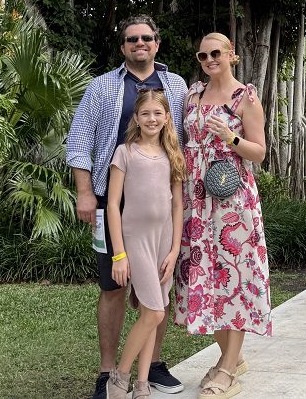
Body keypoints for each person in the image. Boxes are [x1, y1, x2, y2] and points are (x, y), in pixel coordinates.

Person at [66, 15, 187, 398]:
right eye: (132, 39)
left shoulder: (176, 86)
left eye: (146, 37)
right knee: (113, 287)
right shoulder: (102, 87)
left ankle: (152, 366)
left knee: (159, 292)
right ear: (123, 47)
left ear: (157, 43)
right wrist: (85, 192)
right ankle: (108, 372)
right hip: (112, 203)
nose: (140, 43)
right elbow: (79, 140)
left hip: (160, 208)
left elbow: (186, 137)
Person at [174, 32, 272, 399]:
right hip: (195, 200)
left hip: (232, 201)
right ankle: (233, 356)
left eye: (216, 52)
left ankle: (227, 369)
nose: (210, 59)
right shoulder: (192, 96)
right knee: (201, 277)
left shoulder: (246, 98)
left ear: (232, 55)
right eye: (203, 55)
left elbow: (259, 152)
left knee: (236, 278)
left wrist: (230, 137)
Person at [102, 90, 185, 399]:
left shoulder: (173, 154)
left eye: (157, 113)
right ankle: (119, 377)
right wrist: (119, 255)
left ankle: (142, 384)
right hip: (136, 240)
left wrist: (174, 251)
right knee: (154, 313)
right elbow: (113, 205)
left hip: (164, 241)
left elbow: (177, 205)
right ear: (136, 118)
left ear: (167, 117)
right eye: (146, 113)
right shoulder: (125, 152)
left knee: (152, 313)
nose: (152, 119)